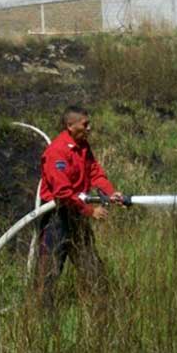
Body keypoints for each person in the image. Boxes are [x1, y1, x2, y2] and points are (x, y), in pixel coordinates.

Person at [37, 105, 123, 306]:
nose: (89, 128)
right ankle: (41, 320)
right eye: (85, 124)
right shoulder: (57, 152)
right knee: (49, 272)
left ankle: (104, 309)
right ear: (70, 125)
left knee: (92, 266)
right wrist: (90, 211)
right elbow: (63, 193)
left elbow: (95, 173)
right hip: (56, 219)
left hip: (77, 215)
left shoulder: (83, 147)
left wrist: (111, 193)